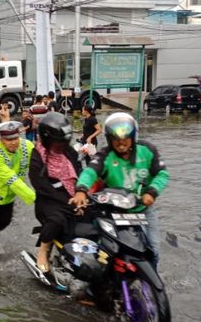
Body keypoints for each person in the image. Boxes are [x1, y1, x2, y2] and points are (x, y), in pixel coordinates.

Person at [70, 112, 169, 268]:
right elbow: (90, 172)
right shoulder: (105, 155)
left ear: (133, 137)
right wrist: (81, 190)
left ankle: (152, 279)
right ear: (110, 140)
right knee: (110, 252)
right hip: (114, 212)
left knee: (153, 249)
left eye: (125, 139)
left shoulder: (147, 150)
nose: (121, 144)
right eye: (116, 140)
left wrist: (152, 191)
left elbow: (162, 174)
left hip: (143, 209)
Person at [28, 112, 81, 274]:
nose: (61, 147)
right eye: (57, 144)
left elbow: (81, 174)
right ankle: (43, 250)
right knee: (57, 220)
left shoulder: (70, 153)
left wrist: (81, 197)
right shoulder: (37, 156)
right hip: (48, 202)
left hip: (73, 199)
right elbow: (42, 187)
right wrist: (69, 202)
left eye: (63, 143)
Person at [0, 121, 36, 258]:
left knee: (5, 221)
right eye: (8, 140)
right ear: (1, 140)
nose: (13, 143)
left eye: (15, 138)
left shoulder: (27, 146)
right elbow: (12, 180)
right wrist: (36, 198)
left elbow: (41, 161)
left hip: (8, 193)